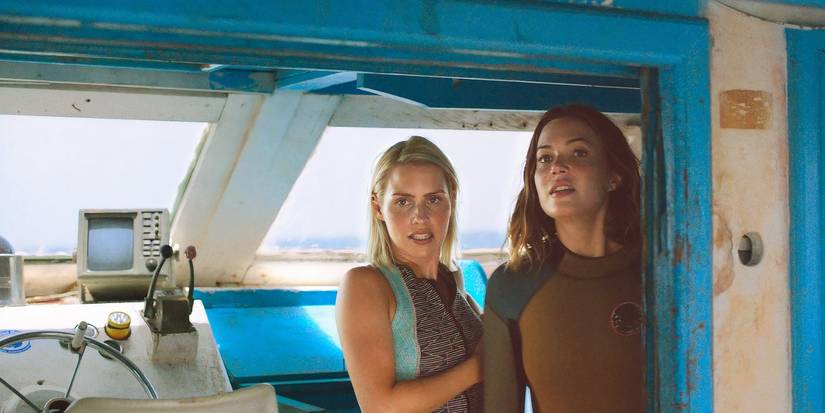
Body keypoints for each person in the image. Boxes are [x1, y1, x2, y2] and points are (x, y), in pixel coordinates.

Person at [484, 105, 643, 412]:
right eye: (544, 158)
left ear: (614, 176)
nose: (557, 166)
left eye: (579, 153)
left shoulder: (665, 271)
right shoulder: (513, 286)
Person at [336, 136, 483, 413]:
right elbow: (381, 407)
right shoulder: (366, 285)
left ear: (451, 200)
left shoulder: (456, 283)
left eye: (434, 199)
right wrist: (478, 367)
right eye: (403, 202)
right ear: (378, 207)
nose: (420, 216)